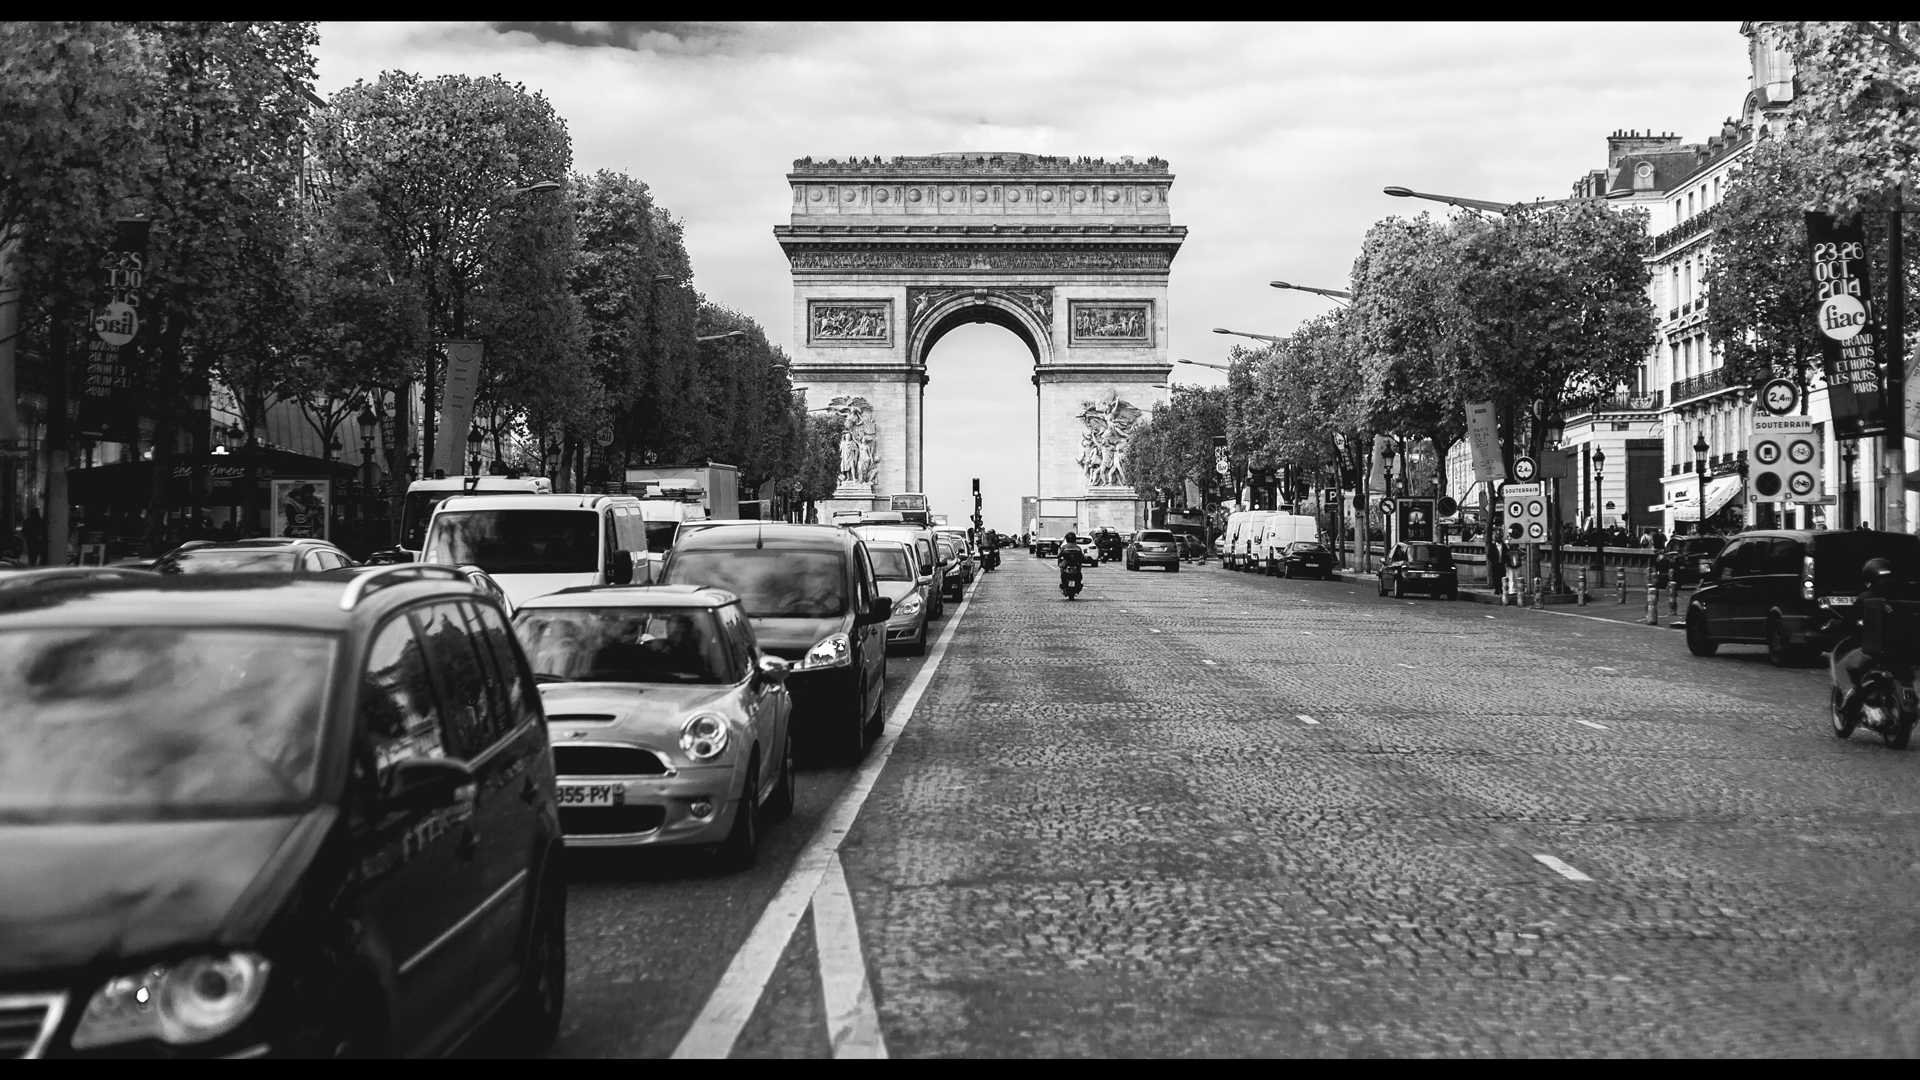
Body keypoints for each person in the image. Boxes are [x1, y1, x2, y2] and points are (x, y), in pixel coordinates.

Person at [1832, 558, 1916, 716]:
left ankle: (1848, 695)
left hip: (1876, 651)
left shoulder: (1867, 597)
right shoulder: (1912, 596)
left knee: (1841, 666)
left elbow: (1847, 624)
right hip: (1910, 653)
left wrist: (1833, 624)